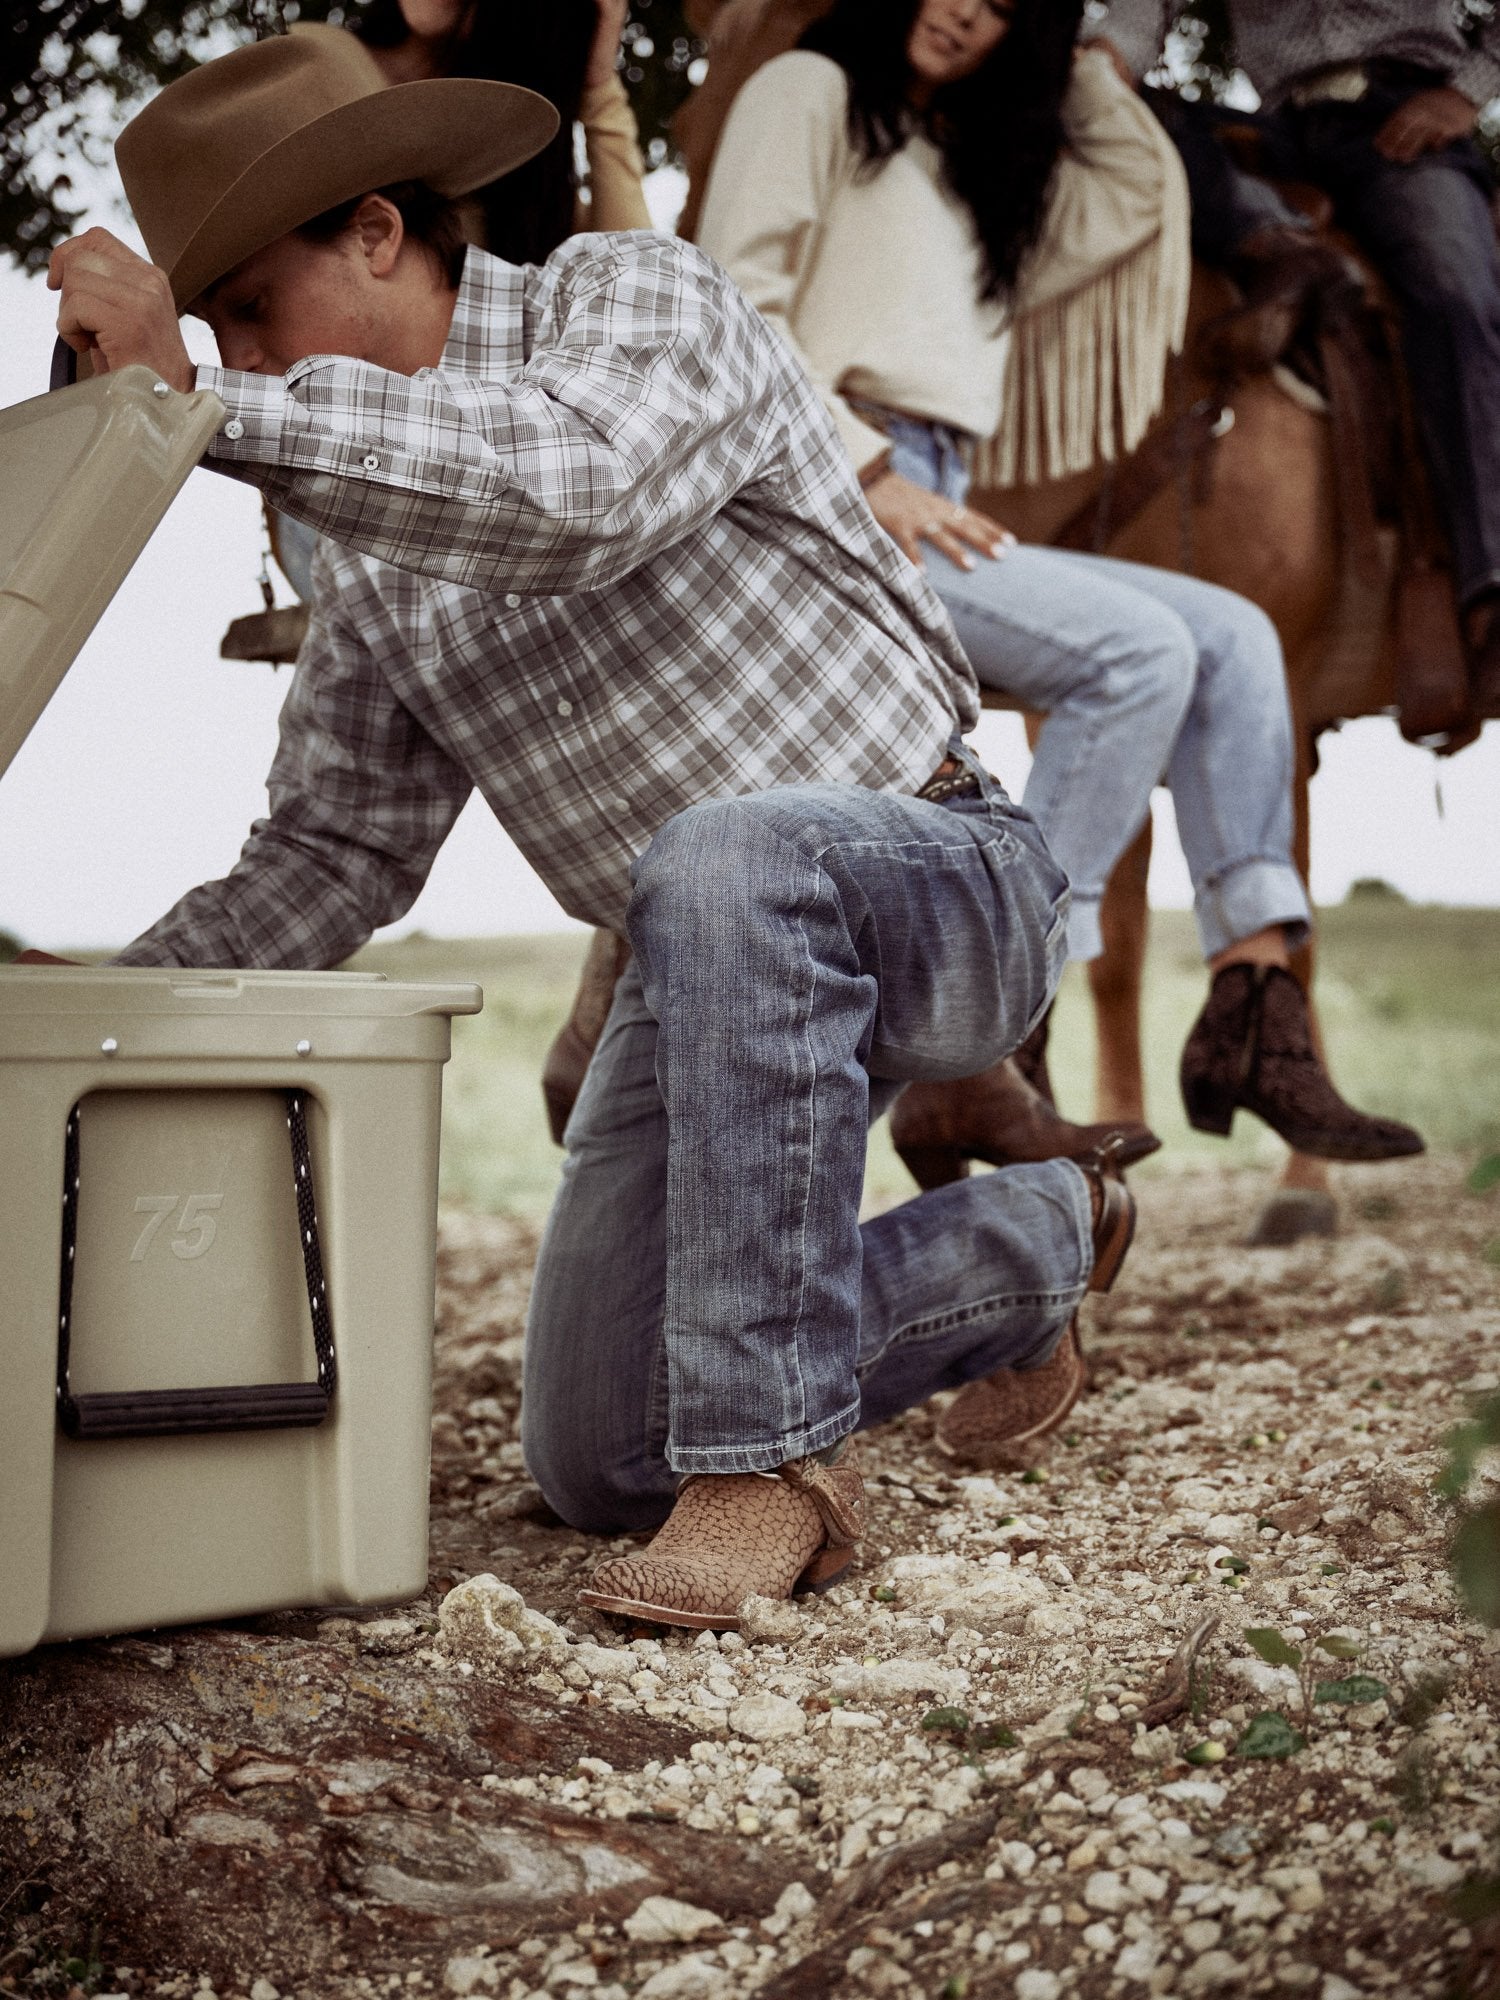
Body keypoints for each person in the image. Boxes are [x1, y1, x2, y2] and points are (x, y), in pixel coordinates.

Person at [49, 24, 1134, 1628]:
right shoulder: (349, 527)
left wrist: (202, 411)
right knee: (600, 1452)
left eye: (252, 312)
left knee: (728, 849)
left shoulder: (634, 301)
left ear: (376, 229)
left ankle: (775, 1470)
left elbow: (577, 491)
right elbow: (335, 850)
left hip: (943, 871)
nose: (245, 362)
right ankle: (1035, 1242)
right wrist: (80, 1021)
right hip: (698, 963)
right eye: (215, 334)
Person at [696, 0, 1423, 1244]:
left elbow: (1140, 188)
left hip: (935, 495)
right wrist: (867, 469)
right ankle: (997, 1019)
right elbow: (728, 314)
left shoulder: (977, 171)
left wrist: (1078, 62)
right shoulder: (808, 95)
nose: (965, 3)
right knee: (1135, 654)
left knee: (1234, 634)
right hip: (817, 499)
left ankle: (1256, 997)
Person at [1091, 0, 1500, 727]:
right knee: (1134, 127)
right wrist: (1109, 58)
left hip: (1404, 114)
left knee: (1452, 293)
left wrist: (1469, 89)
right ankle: (1281, 245)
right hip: (1276, 127)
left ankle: (1489, 589)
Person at [271, 0, 649, 604]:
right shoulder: (324, 64)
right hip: (342, 485)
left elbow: (641, 280)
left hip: (492, 484)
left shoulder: (522, 152)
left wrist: (597, 90)